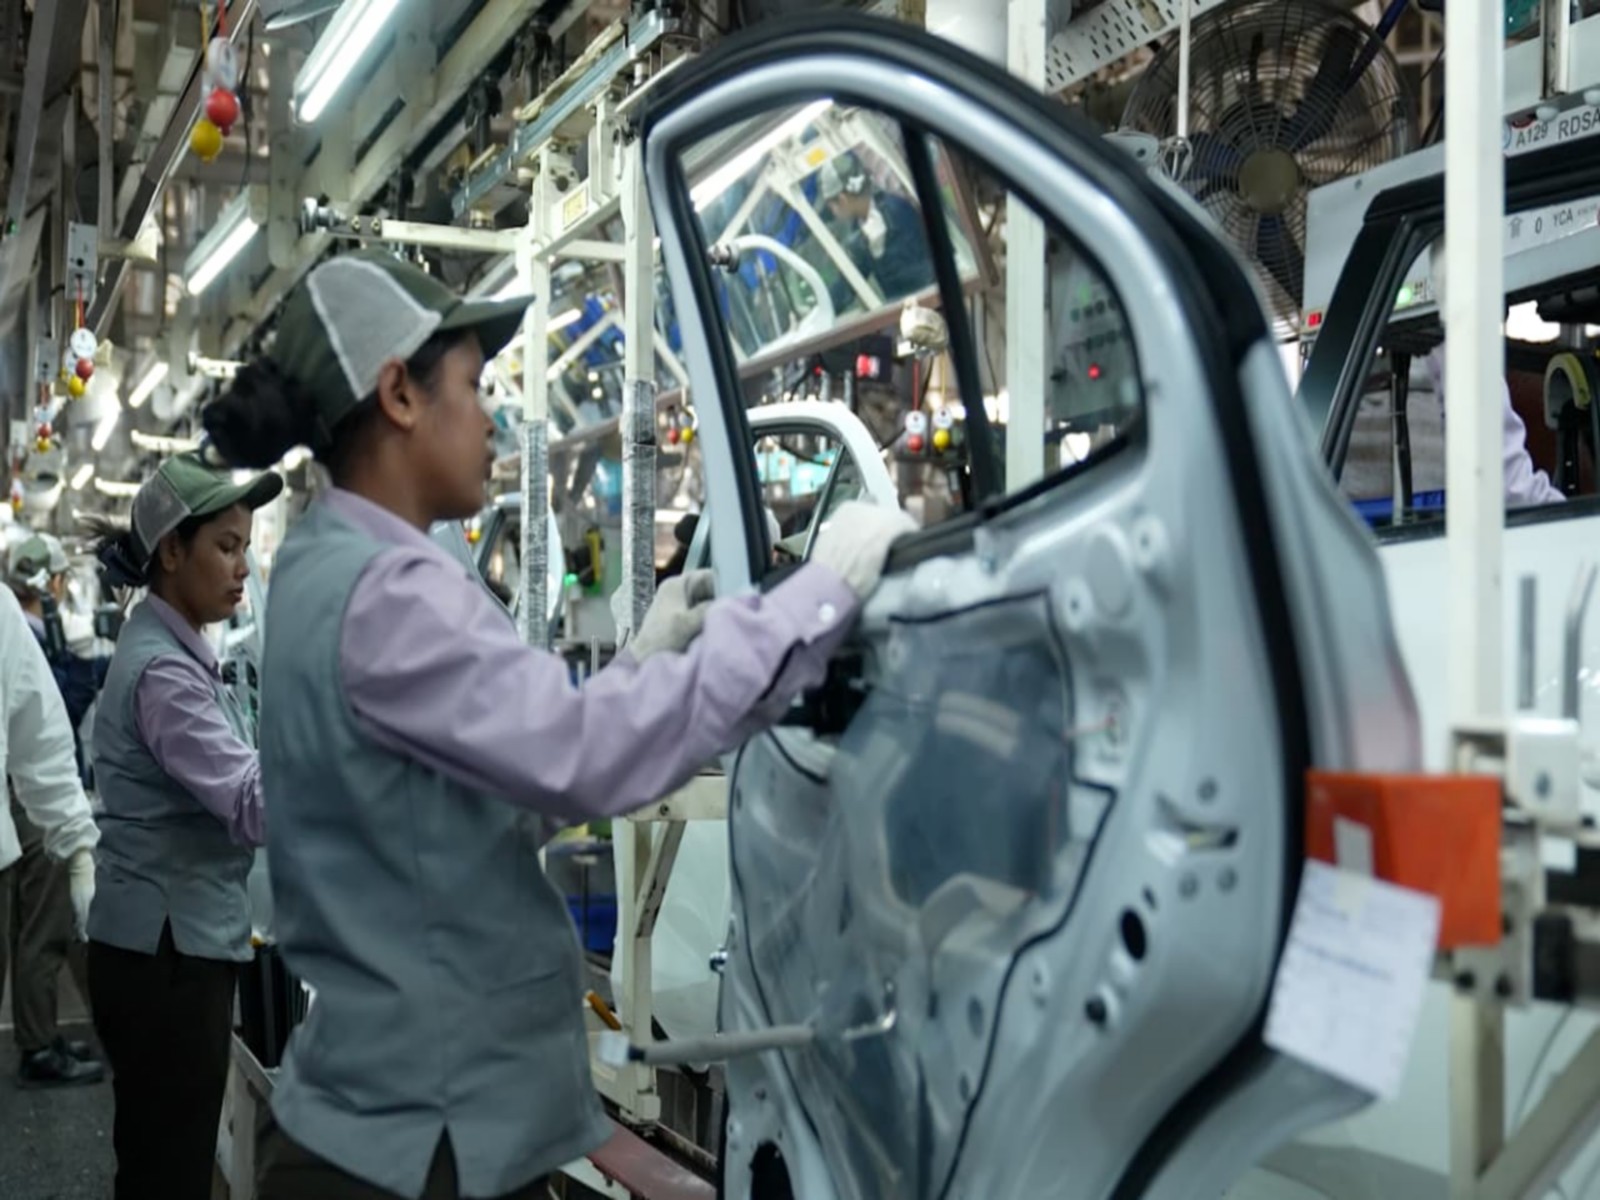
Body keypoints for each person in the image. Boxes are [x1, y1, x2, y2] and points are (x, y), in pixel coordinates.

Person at [200, 248, 913, 1200]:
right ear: (400, 396)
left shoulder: (327, 570)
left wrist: (639, 668)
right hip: (424, 1147)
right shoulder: (390, 591)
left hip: (398, 1118)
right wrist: (816, 596)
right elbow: (581, 763)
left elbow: (482, 794)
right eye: (473, 384)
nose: (493, 415)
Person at [84, 452, 283, 1200]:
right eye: (225, 547)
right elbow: (255, 805)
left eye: (245, 547)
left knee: (159, 1163)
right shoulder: (165, 675)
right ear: (172, 551)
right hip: (167, 962)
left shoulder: (174, 653)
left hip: (160, 950)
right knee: (167, 1173)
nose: (241, 568)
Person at [4, 535, 107, 1086]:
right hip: (28, 805)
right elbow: (48, 727)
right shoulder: (29, 634)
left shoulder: (19, 624)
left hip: (16, 803)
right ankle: (39, 1042)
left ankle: (36, 1033)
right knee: (44, 926)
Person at [819, 156, 935, 303]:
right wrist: (822, 307)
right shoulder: (859, 227)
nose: (833, 213)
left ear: (842, 199)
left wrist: (880, 256)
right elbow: (849, 283)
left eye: (831, 206)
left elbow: (922, 277)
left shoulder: (897, 212)